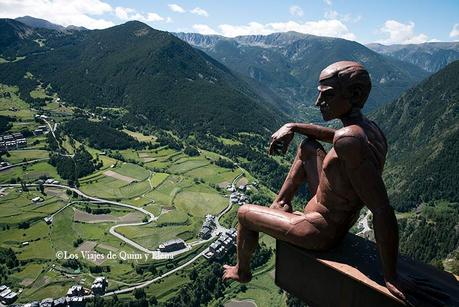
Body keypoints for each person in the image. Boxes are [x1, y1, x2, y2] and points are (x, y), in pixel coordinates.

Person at [222, 61, 441, 305]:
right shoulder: (369, 129)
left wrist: (391, 275)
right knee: (307, 146)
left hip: (320, 229)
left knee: (243, 214)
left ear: (355, 95)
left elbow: (381, 209)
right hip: (330, 208)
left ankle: (242, 271)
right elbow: (330, 136)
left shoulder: (350, 141)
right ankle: (282, 202)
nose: (318, 103)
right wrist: (292, 126)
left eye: (327, 95)